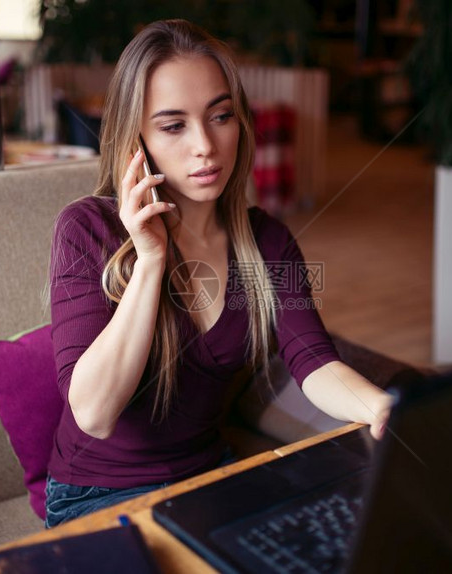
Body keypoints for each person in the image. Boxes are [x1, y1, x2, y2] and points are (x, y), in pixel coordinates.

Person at [45, 19, 392, 529]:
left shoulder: (267, 240)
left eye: (220, 115)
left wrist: (386, 406)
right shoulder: (86, 228)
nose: (205, 145)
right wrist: (150, 262)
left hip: (208, 477)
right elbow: (94, 414)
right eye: (172, 125)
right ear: (134, 140)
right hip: (95, 493)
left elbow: (314, 362)